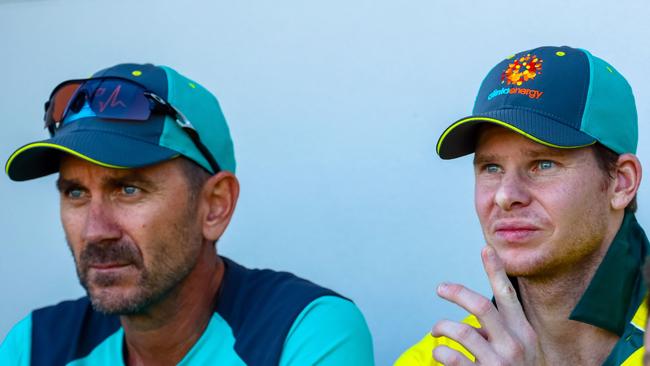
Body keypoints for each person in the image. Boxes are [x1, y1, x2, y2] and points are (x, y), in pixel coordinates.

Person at [0, 63, 374, 365]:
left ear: (215, 206)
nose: (96, 231)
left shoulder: (300, 331)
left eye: (129, 189)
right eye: (76, 193)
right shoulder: (34, 347)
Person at [396, 46, 647, 365]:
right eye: (491, 167)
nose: (505, 195)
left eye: (543, 164)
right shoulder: (441, 358)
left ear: (621, 182)